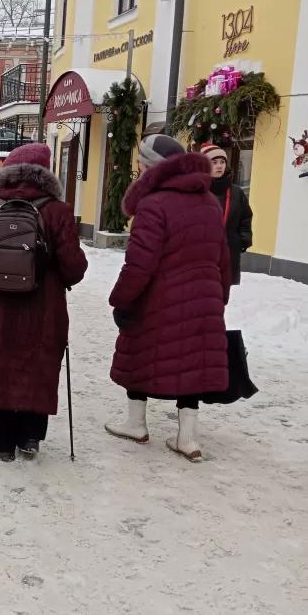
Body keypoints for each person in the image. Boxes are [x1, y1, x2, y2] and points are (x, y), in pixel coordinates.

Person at [105, 135, 232, 463]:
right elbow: (222, 256)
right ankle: (187, 439)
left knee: (138, 352)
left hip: (159, 299)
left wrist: (122, 299)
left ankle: (136, 424)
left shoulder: (153, 203)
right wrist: (221, 296)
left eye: (140, 162)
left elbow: (140, 262)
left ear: (150, 167)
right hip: (204, 300)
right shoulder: (208, 202)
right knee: (193, 362)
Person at [0, 143, 88, 462]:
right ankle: (30, 436)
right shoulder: (58, 210)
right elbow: (74, 269)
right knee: (38, 364)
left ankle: (1, 440)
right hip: (42, 308)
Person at [201, 143, 253, 285]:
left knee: (222, 293)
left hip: (229, 249)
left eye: (222, 162)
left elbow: (246, 217)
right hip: (202, 252)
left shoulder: (236, 192)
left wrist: (243, 239)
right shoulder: (197, 190)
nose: (219, 166)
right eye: (214, 162)